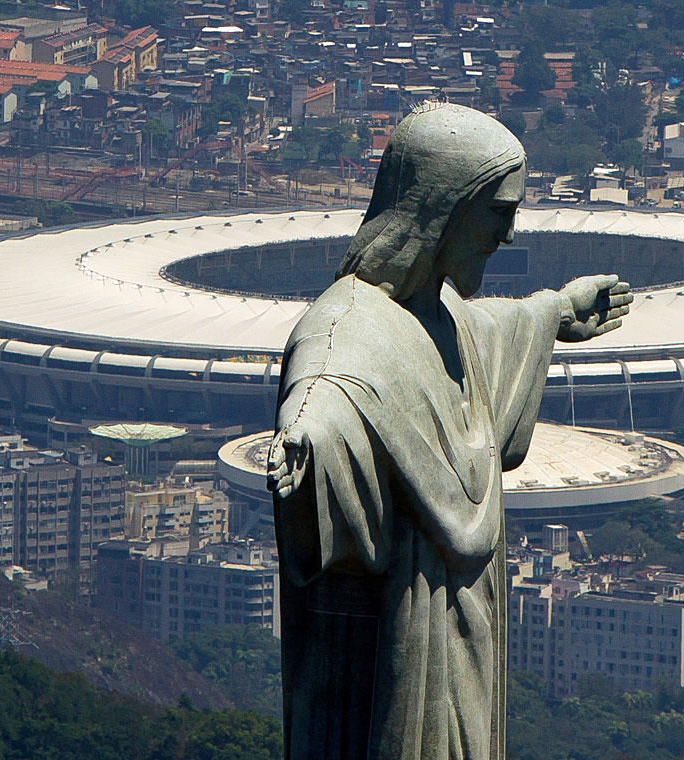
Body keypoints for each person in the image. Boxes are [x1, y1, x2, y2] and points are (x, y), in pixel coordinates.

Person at [267, 102, 631, 760]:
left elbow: (484, 336)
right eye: (499, 212)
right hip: (402, 641)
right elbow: (327, 387)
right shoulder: (350, 324)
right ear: (445, 209)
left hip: (464, 634)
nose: (508, 235)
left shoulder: (442, 315)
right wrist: (306, 442)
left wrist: (553, 313)